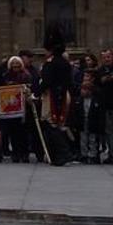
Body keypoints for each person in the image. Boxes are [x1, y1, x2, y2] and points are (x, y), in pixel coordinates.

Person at [37, 28, 73, 166]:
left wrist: (36, 92)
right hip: (64, 94)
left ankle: (63, 153)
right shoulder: (64, 62)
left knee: (52, 125)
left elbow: (46, 81)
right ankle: (58, 154)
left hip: (52, 96)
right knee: (59, 124)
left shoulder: (50, 63)